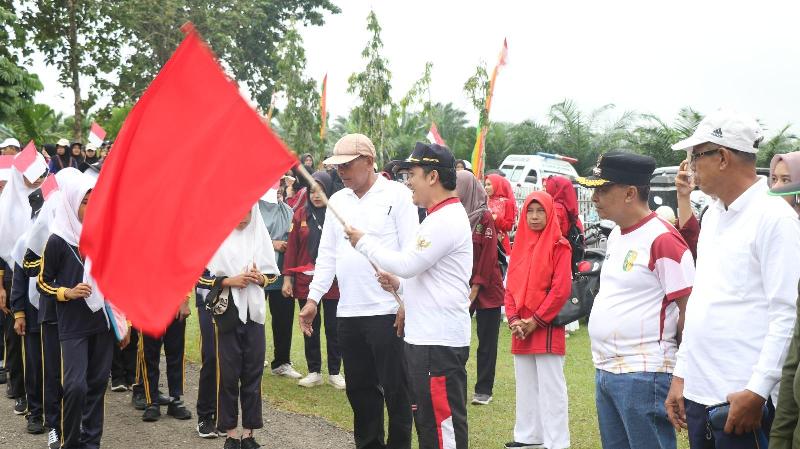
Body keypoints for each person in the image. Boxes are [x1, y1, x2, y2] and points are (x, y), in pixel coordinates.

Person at [665, 110, 800, 449]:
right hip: (700, 394)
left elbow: (786, 313)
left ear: (722, 158)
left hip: (741, 403)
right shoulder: (712, 216)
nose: (690, 165)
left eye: (695, 156)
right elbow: (700, 301)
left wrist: (756, 390)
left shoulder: (775, 219)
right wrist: (682, 374)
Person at [344, 142, 473, 449]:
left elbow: (408, 263)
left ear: (432, 177)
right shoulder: (434, 217)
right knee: (429, 425)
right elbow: (424, 275)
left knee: (442, 429)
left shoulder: (445, 220)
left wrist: (364, 242)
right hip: (427, 339)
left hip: (437, 342)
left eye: (411, 174)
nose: (407, 182)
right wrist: (399, 285)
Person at [300, 133, 417, 449]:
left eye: (348, 165)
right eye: (337, 166)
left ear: (369, 161)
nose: (341, 172)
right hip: (349, 314)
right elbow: (327, 257)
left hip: (388, 312)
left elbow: (412, 256)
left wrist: (406, 299)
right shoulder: (337, 201)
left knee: (397, 390)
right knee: (360, 390)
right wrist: (313, 299)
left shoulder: (397, 196)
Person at [577, 152, 694, 449]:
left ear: (630, 193)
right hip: (607, 369)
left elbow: (689, 311)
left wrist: (680, 376)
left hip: (645, 373)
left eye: (603, 189)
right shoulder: (617, 234)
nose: (594, 198)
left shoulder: (663, 239)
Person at [37, 172, 116, 449]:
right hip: (71, 324)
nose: (91, 208)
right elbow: (43, 282)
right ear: (72, 202)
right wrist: (66, 292)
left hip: (101, 322)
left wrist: (123, 320)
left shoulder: (102, 236)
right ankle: (69, 441)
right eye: (85, 202)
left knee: (96, 386)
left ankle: (91, 442)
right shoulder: (57, 240)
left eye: (95, 202)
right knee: (74, 387)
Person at [204, 204, 280, 449]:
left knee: (253, 373)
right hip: (228, 312)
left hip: (255, 313)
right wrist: (228, 280)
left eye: (247, 211)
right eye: (237, 211)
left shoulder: (259, 233)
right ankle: (230, 433)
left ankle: (248, 433)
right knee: (228, 374)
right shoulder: (217, 233)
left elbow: (273, 274)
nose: (243, 217)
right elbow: (200, 274)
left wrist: (260, 278)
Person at [502, 191, 572, 449]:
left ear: (549, 212)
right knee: (526, 384)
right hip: (520, 326)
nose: (533, 217)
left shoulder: (559, 245)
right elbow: (509, 287)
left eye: (540, 211)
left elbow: (561, 289)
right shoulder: (518, 243)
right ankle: (529, 436)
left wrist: (536, 320)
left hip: (546, 325)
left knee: (551, 386)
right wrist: (514, 319)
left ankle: (557, 442)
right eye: (529, 211)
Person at [283, 171, 344, 389]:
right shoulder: (300, 214)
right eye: (311, 191)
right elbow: (292, 248)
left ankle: (335, 372)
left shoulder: (337, 215)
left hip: (333, 280)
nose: (316, 196)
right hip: (305, 281)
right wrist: (287, 278)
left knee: (334, 327)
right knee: (310, 325)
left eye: (320, 191)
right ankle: (314, 370)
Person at [0, 150, 47, 417]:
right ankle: (20, 391)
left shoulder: (44, 200)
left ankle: (43, 393)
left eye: (40, 174)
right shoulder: (7, 205)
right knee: (16, 338)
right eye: (31, 175)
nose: (36, 180)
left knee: (40, 342)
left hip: (43, 277)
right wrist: (2, 288)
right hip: (12, 278)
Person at [455, 171, 505, 406]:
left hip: (487, 288)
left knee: (486, 341)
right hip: (462, 287)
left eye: (458, 186)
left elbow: (488, 256)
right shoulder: (454, 215)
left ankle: (483, 390)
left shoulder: (484, 216)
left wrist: (475, 287)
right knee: (457, 338)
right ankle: (456, 384)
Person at [259, 186, 302, 380]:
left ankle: (282, 362)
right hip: (257, 274)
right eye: (274, 187)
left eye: (281, 188)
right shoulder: (254, 209)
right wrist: (272, 243)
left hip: (282, 274)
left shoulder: (287, 210)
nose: (278, 191)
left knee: (284, 319)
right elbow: (246, 236)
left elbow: (293, 237)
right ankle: (255, 356)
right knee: (254, 317)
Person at [138, 300, 193, 422]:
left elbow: (184, 280)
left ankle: (175, 400)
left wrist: (185, 301)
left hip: (174, 305)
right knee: (149, 356)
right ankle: (151, 402)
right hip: (148, 307)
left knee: (176, 354)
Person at [485, 173, 517, 255]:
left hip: (501, 244)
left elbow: (509, 226)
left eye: (489, 184)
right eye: (485, 185)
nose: (486, 187)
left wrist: (497, 219)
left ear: (497, 185)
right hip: (485, 241)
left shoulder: (507, 203)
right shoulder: (485, 201)